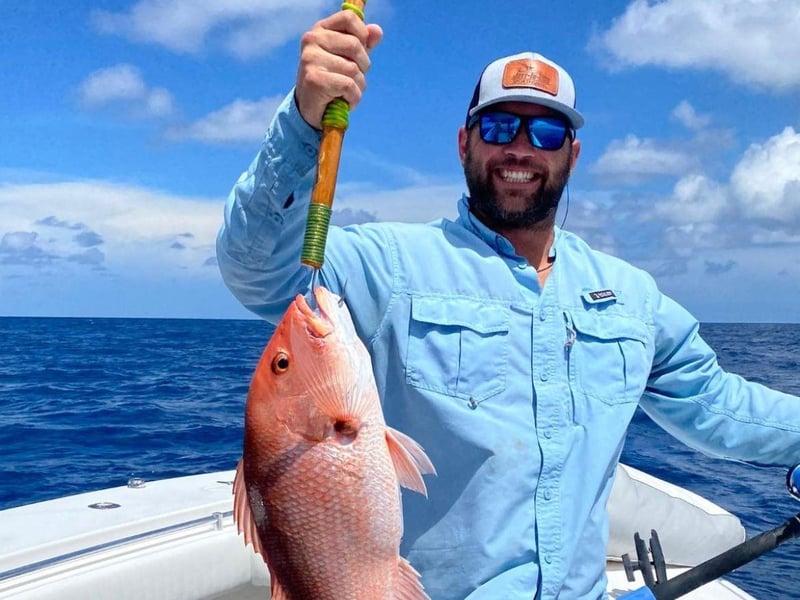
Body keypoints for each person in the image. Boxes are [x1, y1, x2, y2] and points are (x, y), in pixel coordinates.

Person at [216, 10, 800, 600]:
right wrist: (304, 120)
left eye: (545, 133)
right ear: (465, 143)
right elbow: (258, 266)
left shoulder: (632, 295)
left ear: (572, 155)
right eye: (498, 128)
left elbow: (719, 404)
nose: (520, 148)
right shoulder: (388, 265)